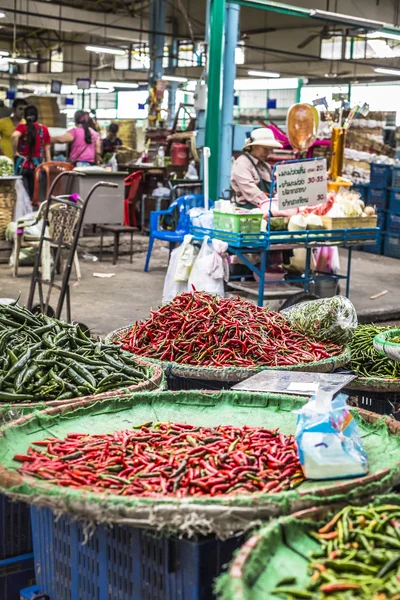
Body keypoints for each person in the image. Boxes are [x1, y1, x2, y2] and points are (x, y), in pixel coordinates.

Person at [230, 127, 282, 209]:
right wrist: (273, 206)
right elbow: (252, 193)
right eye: (265, 149)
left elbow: (273, 191)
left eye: (270, 150)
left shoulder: (266, 166)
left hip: (265, 209)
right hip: (246, 212)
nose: (267, 153)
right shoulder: (241, 164)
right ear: (253, 146)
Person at [12, 104, 51, 198]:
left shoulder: (22, 128)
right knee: (35, 196)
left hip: (22, 166)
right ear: (36, 116)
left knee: (22, 196)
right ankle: (34, 212)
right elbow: (47, 148)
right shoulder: (43, 129)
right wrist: (48, 163)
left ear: (25, 116)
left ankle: (24, 212)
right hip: (37, 167)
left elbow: (14, 136)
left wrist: (15, 153)